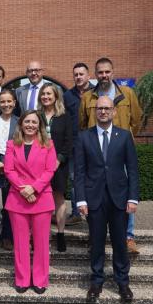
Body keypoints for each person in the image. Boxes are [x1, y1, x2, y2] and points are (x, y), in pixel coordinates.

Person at [74, 96, 139, 303]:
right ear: (95, 111)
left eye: (107, 108)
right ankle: (96, 281)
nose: (103, 111)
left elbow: (133, 170)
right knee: (97, 242)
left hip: (120, 199)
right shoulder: (84, 137)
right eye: (99, 108)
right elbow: (80, 172)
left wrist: (133, 198)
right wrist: (81, 200)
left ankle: (122, 282)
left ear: (114, 112)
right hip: (94, 199)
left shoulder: (125, 136)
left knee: (120, 243)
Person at [79, 57, 143, 254]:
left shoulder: (127, 94)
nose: (104, 75)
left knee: (124, 193)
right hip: (96, 152)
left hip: (119, 151)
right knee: (95, 191)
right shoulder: (88, 97)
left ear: (113, 72)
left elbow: (137, 120)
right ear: (95, 75)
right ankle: (95, 235)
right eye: (100, 72)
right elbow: (83, 123)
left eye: (107, 72)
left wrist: (124, 138)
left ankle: (128, 236)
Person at [4, 110, 57, 294]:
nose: (30, 125)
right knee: (20, 243)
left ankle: (41, 280)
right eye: (27, 121)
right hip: (18, 200)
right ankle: (22, 279)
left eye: (34, 122)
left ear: (39, 125)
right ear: (21, 123)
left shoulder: (48, 144)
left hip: (41, 198)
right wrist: (23, 189)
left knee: (41, 243)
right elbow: (9, 170)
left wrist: (33, 188)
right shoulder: (11, 144)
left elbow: (50, 171)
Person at [38, 83, 72, 252]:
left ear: (56, 96)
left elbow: (69, 141)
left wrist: (58, 160)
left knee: (58, 198)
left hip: (58, 165)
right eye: (43, 94)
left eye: (49, 94)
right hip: (38, 165)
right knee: (40, 200)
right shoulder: (36, 116)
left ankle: (60, 234)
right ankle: (41, 235)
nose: (46, 97)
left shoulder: (64, 116)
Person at [63, 63, 95, 226]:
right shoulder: (67, 96)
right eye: (75, 74)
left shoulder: (96, 93)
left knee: (94, 177)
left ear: (88, 76)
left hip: (93, 144)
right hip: (74, 145)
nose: (78, 77)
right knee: (75, 178)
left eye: (81, 74)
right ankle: (76, 212)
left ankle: (93, 211)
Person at [0, 89, 17, 251]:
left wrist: (7, 165)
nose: (6, 104)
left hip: (12, 164)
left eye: (9, 101)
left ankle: (7, 236)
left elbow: (21, 146)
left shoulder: (19, 122)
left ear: (14, 103)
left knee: (9, 203)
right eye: (2, 102)